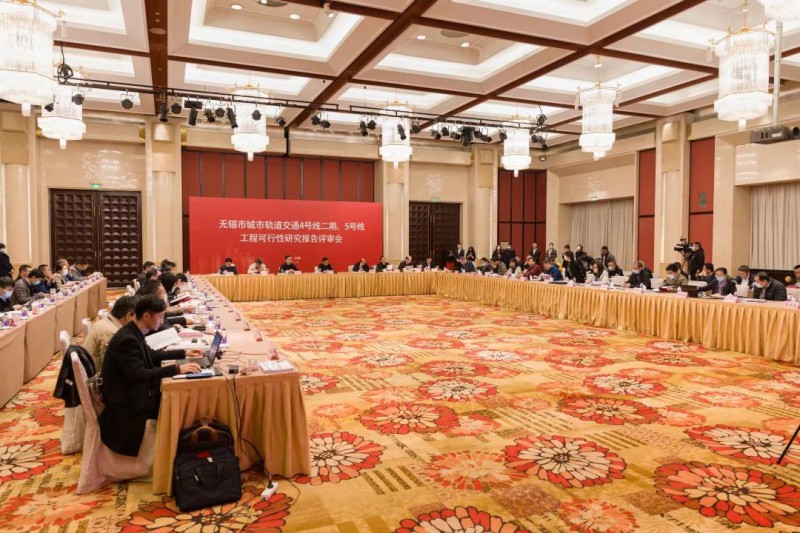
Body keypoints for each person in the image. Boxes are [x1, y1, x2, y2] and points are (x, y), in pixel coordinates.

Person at [99, 295, 204, 457]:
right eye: (160, 316)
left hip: (131, 391)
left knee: (179, 392)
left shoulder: (134, 331)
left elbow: (151, 355)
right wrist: (177, 369)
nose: (162, 321)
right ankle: (174, 452)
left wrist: (184, 353)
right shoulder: (127, 339)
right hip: (127, 402)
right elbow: (138, 374)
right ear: (147, 316)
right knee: (180, 399)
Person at [83, 295, 137, 369]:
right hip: (96, 373)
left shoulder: (107, 322)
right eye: (137, 317)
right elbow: (110, 367)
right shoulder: (112, 333)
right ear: (128, 316)